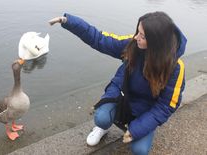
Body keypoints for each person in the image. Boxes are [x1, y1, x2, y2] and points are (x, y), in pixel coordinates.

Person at [49, 11, 187, 155]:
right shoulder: (132, 44)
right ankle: (102, 128)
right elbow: (99, 39)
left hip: (146, 108)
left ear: (156, 42)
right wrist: (68, 21)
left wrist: (137, 130)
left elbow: (166, 106)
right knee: (101, 118)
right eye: (137, 32)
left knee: (140, 151)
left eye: (142, 36)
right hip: (121, 92)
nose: (136, 37)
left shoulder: (175, 67)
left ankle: (136, 127)